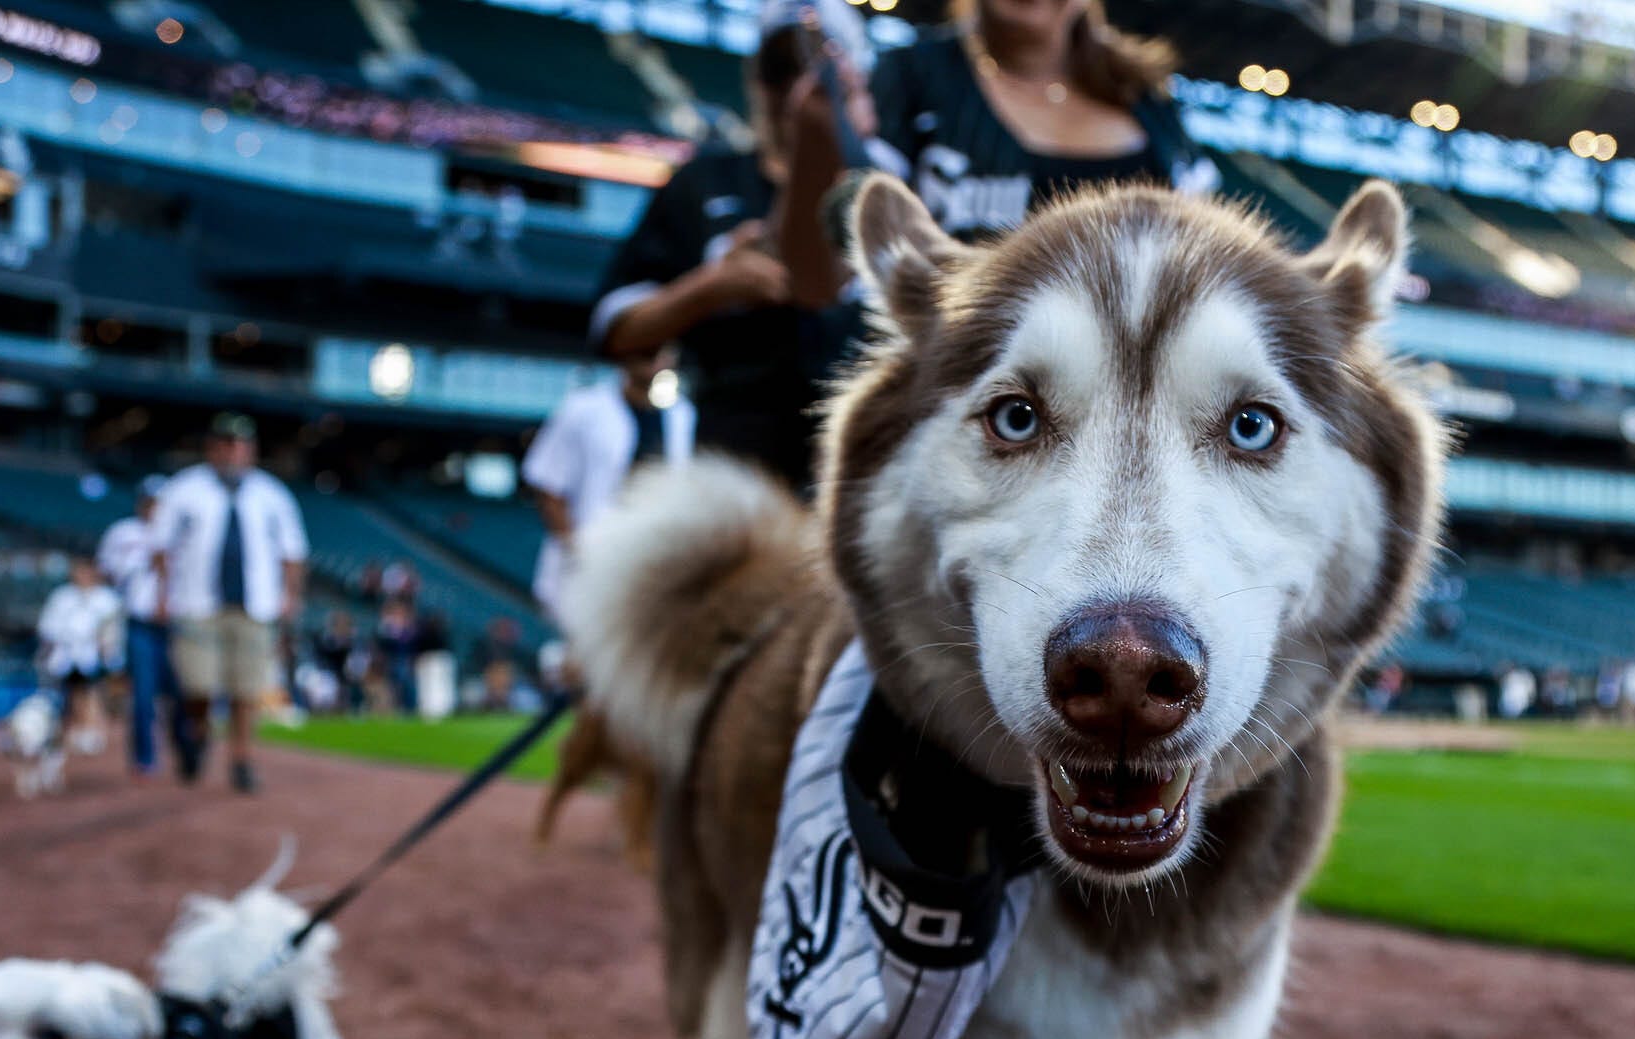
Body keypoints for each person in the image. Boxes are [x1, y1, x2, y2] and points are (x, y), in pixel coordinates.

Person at [588, 3, 872, 490]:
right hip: (732, 459)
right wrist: (714, 285)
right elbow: (615, 331)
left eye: (817, 68)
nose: (795, 88)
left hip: (860, 460)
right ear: (755, 78)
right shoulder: (704, 181)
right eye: (780, 69)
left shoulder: (886, 183)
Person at [853, 0, 1216, 245]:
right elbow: (837, 266)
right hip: (962, 350)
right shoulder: (913, 76)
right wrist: (819, 136)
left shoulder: (1146, 97)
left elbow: (1209, 245)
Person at [147, 413, 306, 794]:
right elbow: (160, 548)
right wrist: (162, 595)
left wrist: (290, 595)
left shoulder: (272, 495)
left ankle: (242, 760)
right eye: (226, 444)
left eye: (241, 445)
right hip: (197, 604)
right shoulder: (183, 490)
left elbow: (293, 553)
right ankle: (198, 735)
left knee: (246, 690)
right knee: (198, 686)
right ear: (212, 448)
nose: (234, 452)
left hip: (254, 607)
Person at [521, 345, 697, 616]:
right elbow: (549, 487)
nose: (654, 357)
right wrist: (580, 553)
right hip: (586, 568)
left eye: (663, 348)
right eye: (646, 346)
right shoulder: (584, 407)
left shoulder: (681, 414)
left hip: (647, 566)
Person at [99, 474, 200, 779]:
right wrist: (142, 562)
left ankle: (185, 750)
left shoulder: (184, 534)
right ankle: (144, 757)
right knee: (142, 693)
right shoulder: (123, 532)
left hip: (177, 623)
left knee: (184, 692)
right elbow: (107, 573)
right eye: (150, 501)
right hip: (140, 622)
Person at [34, 555, 122, 756]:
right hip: (67, 655)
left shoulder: (106, 598)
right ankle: (75, 730)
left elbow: (112, 628)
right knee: (72, 693)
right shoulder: (62, 596)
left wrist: (107, 646)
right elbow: (48, 626)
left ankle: (94, 730)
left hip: (94, 654)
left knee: (93, 691)